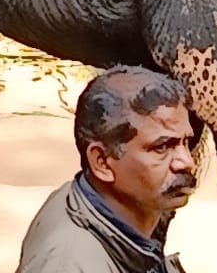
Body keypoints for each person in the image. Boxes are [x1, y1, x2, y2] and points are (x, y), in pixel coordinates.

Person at [16, 67, 199, 273]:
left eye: (186, 142)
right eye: (162, 147)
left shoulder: (108, 207)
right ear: (102, 162)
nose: (187, 162)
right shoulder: (67, 264)